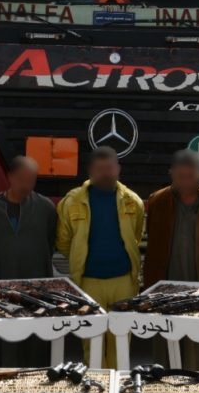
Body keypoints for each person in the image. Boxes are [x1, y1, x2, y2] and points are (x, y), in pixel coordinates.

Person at [143, 149, 199, 370]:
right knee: (166, 349)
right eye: (180, 176)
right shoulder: (158, 201)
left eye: (190, 176)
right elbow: (152, 240)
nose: (185, 181)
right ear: (171, 174)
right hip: (165, 289)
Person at [56, 147, 144, 367]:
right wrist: (80, 258)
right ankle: (95, 383)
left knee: (121, 339)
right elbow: (63, 241)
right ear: (90, 171)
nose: (106, 173)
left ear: (118, 169)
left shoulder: (133, 201)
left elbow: (136, 235)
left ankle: (119, 382)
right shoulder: (71, 201)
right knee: (91, 340)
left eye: (110, 168)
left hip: (123, 282)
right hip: (88, 282)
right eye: (100, 169)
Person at [0, 156, 57, 365]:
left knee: (35, 343)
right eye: (22, 179)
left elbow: (49, 244)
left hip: (35, 288)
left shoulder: (45, 208)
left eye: (31, 180)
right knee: (0, 340)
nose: (26, 185)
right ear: (10, 177)